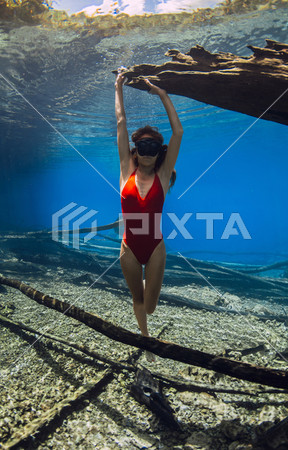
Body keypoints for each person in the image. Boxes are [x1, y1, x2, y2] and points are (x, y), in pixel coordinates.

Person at [115, 72, 183, 358]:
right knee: (137, 299)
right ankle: (145, 339)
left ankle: (147, 295)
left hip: (155, 247)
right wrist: (117, 86)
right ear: (135, 150)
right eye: (142, 146)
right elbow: (121, 123)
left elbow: (178, 133)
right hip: (129, 247)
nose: (147, 152)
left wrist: (163, 95)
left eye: (153, 148)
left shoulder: (164, 176)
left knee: (150, 305)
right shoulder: (125, 172)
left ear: (159, 153)